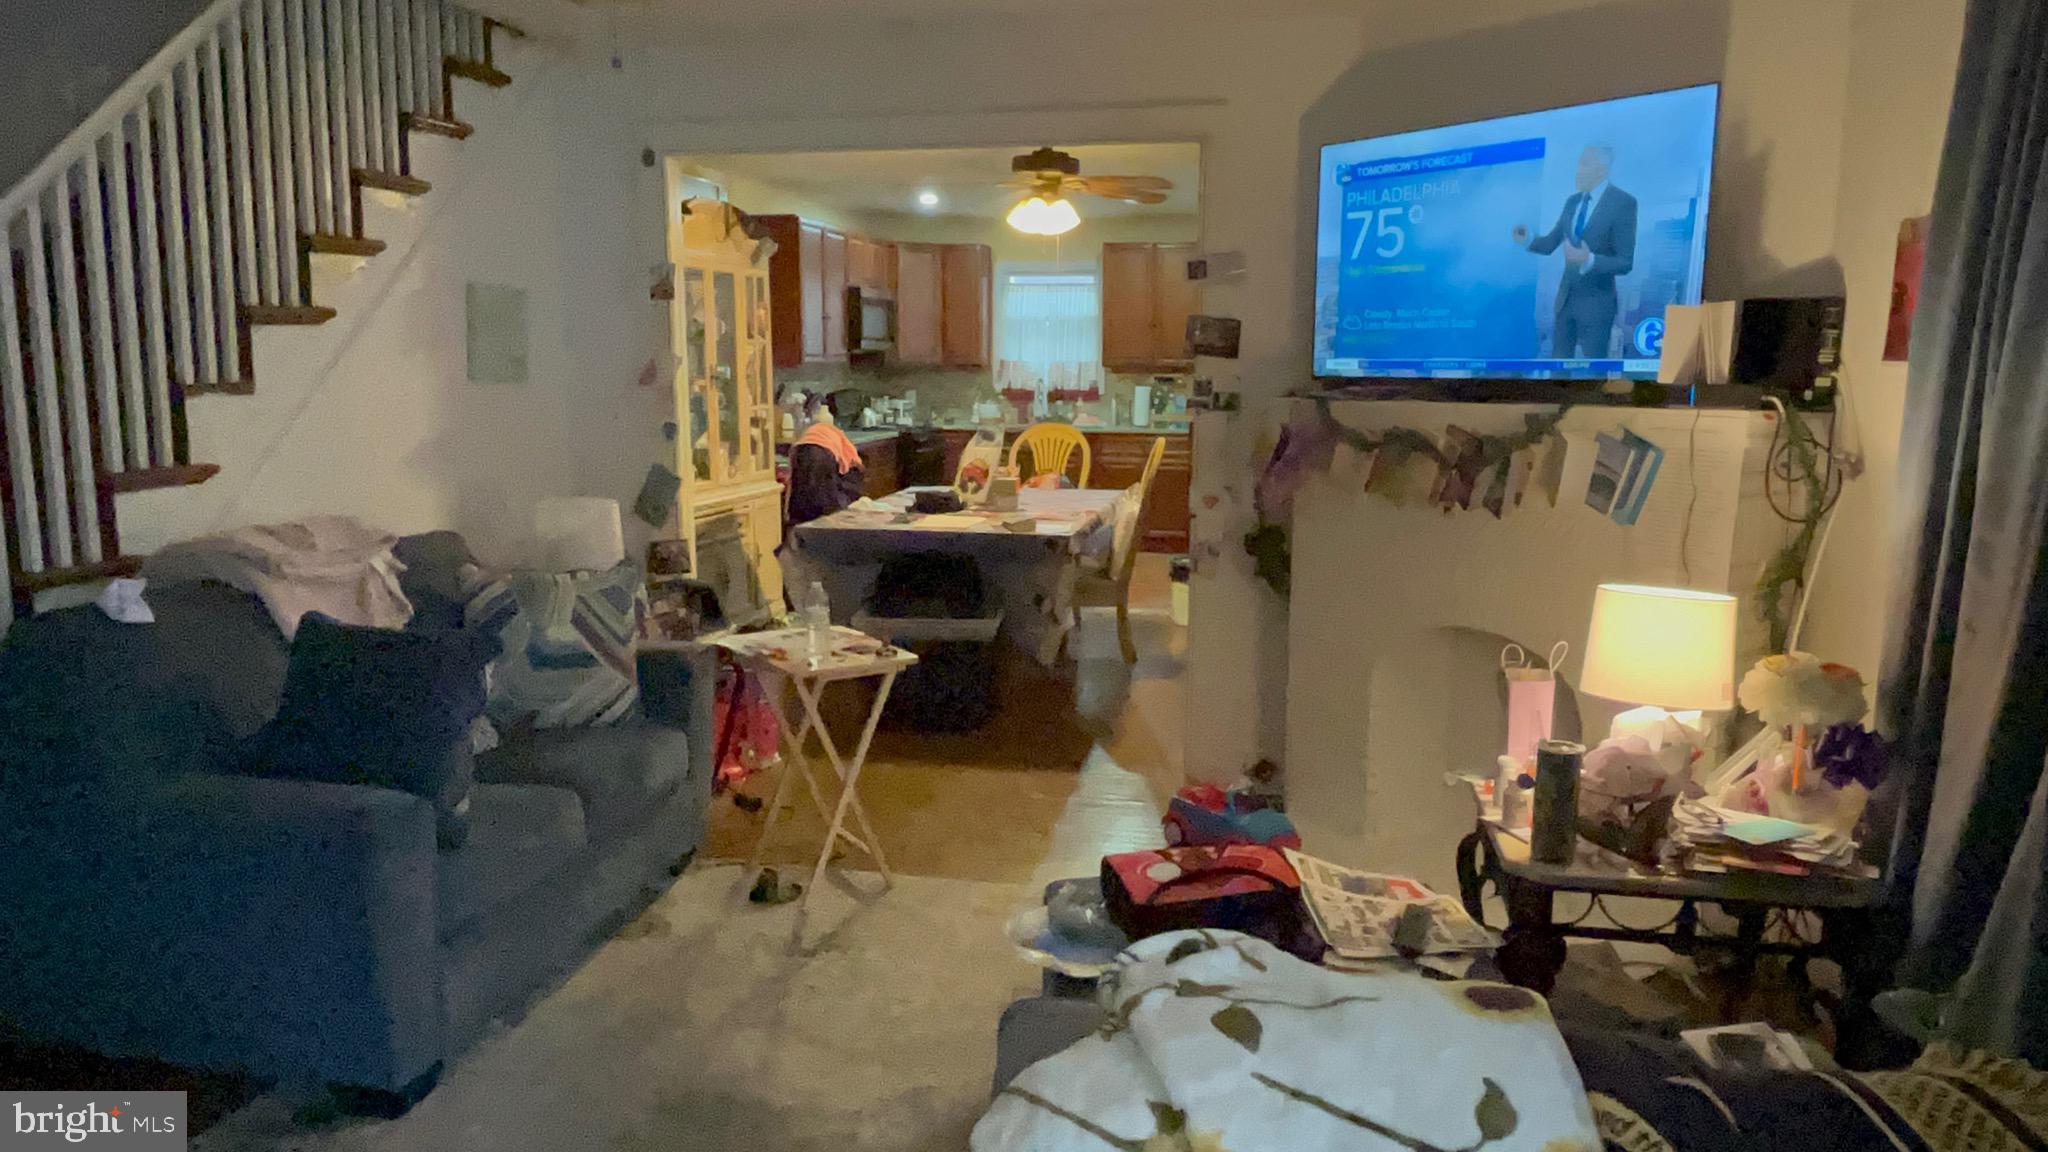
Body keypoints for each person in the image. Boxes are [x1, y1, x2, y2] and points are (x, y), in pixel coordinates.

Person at [1515, 144, 1639, 359]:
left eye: (1584, 164)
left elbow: (1625, 262)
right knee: (1557, 372)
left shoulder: (1623, 203)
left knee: (1591, 379)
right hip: (1566, 302)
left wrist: (1589, 259)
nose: (1577, 170)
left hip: (1597, 306)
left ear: (1602, 169)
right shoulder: (1572, 202)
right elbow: (1550, 243)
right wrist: (1527, 239)